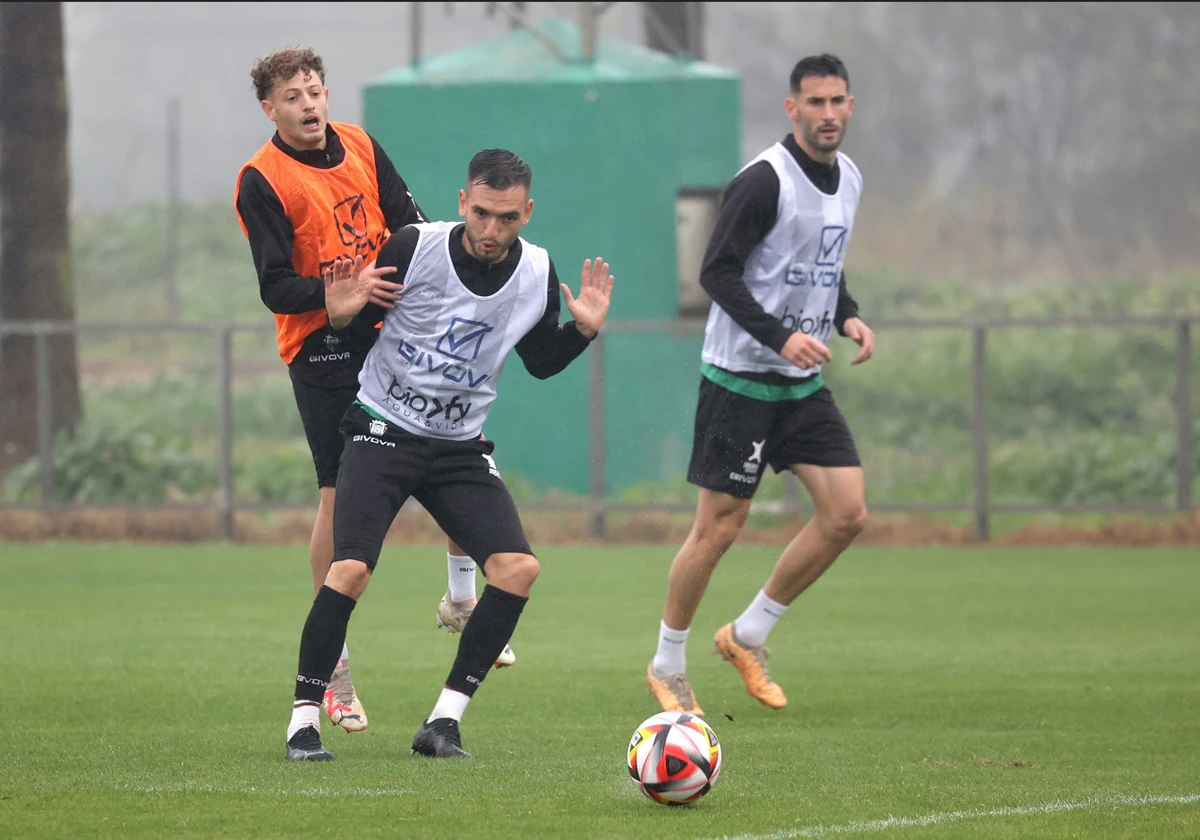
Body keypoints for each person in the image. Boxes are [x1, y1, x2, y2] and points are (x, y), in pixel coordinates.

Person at [282, 148, 614, 761]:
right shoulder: (414, 247)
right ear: (463, 202)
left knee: (518, 570)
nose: (493, 231)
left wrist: (583, 332)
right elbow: (356, 335)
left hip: (457, 446)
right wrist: (337, 317)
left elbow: (540, 362)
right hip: (383, 429)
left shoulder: (537, 272)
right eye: (483, 213)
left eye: (508, 219)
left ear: (528, 212)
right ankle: (303, 721)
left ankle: (443, 723)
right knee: (350, 570)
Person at [234, 47, 515, 737]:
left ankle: (460, 599)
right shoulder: (261, 180)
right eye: (292, 96)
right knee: (338, 495)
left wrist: (429, 291)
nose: (309, 104)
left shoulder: (359, 143)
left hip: (389, 329)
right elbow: (275, 286)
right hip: (323, 348)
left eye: (315, 91)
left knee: (458, 442)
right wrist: (343, 292)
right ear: (269, 109)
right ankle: (334, 667)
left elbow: (409, 224)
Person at [646, 54, 876, 716]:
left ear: (850, 106)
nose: (827, 114)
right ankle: (666, 663)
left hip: (800, 382)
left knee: (847, 513)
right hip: (741, 378)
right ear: (792, 108)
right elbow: (718, 272)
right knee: (720, 529)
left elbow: (819, 267)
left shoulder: (850, 178)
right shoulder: (764, 181)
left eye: (837, 102)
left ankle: (747, 635)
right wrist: (779, 336)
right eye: (815, 103)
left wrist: (847, 313)